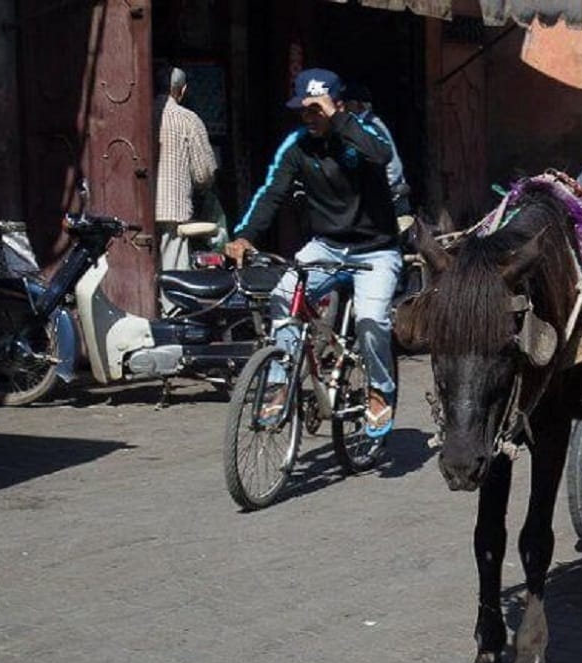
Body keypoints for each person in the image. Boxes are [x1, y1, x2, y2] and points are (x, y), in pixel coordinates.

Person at [224, 68, 399, 436]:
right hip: (325, 247)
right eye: (304, 111)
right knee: (282, 297)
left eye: (316, 110)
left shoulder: (364, 131)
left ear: (336, 105)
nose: (310, 118)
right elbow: (272, 191)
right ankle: (280, 382)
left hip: (377, 251)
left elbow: (381, 155)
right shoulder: (297, 145)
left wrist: (338, 119)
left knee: (370, 320)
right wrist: (244, 236)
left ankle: (379, 390)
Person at [154, 64, 219, 274]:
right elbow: (204, 173)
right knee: (172, 276)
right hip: (172, 211)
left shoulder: (139, 115)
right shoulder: (188, 119)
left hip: (137, 212)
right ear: (181, 90)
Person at [342, 84, 411, 219]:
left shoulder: (370, 127)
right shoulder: (363, 125)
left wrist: (385, 191)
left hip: (389, 199)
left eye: (346, 104)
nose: (343, 108)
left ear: (357, 105)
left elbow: (393, 167)